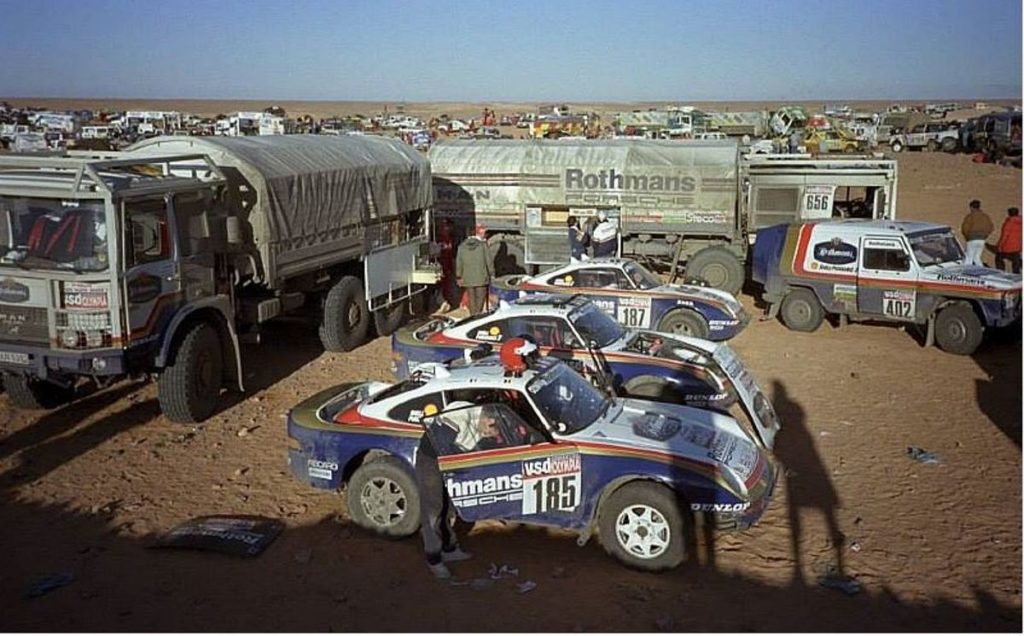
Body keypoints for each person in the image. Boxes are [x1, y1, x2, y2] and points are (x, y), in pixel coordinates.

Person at [415, 410, 473, 580]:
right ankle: (434, 559)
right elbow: (443, 440)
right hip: (430, 461)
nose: (492, 430)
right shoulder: (462, 414)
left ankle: (449, 549)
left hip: (448, 461)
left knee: (447, 507)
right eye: (491, 426)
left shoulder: (476, 417)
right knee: (432, 510)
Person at [455, 223, 494, 315]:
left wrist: (459, 276)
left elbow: (459, 263)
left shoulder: (462, 246)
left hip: (468, 278)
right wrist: (492, 273)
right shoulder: (483, 246)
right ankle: (478, 316)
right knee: (480, 300)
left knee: (471, 299)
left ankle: (472, 316)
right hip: (481, 278)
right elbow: (489, 261)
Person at [961, 199, 994, 267]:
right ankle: (981, 271)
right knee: (977, 258)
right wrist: (985, 235)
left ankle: (967, 273)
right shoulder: (985, 216)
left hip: (972, 239)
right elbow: (991, 227)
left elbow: (965, 228)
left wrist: (967, 237)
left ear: (971, 207)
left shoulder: (970, 216)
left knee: (969, 258)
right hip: (982, 240)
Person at [995, 207, 1022, 274]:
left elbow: (1004, 236)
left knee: (999, 258)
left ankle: (1001, 272)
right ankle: (1017, 274)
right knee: (1016, 262)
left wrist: (999, 245)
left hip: (1007, 246)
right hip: (1017, 246)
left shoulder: (1009, 223)